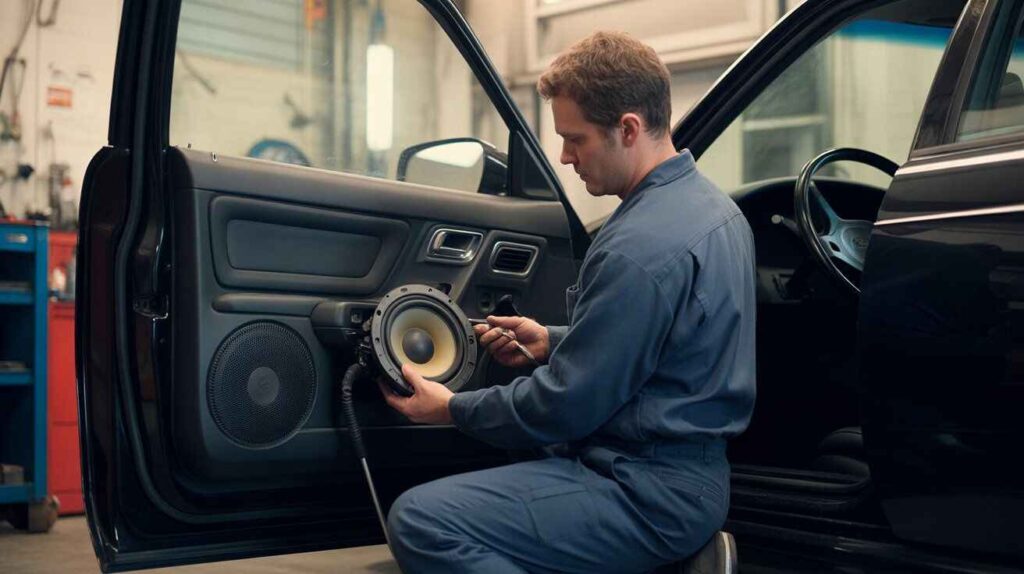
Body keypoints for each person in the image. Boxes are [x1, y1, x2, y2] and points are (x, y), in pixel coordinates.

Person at [379, 30, 756, 573]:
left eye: (575, 139)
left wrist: (451, 409)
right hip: (690, 480)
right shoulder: (718, 213)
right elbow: (671, 349)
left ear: (628, 129)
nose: (564, 156)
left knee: (422, 520)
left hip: (640, 491)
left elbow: (565, 406)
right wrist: (553, 342)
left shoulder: (638, 246)